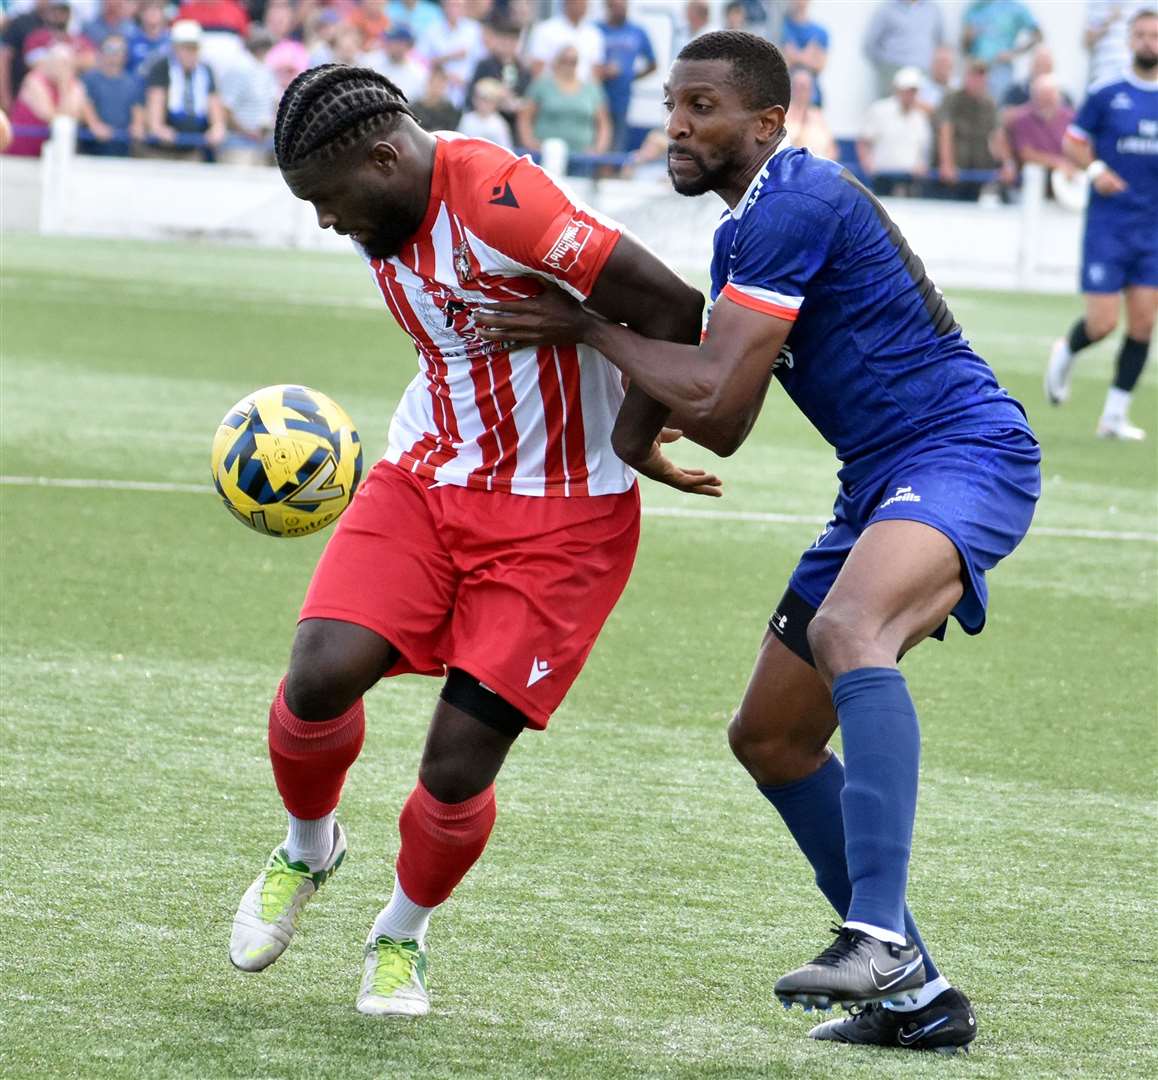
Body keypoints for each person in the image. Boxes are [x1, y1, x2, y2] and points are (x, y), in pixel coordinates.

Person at [474, 30, 1040, 1057]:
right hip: (876, 481)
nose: (677, 128)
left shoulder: (796, 201)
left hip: (964, 452)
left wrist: (588, 327)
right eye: (671, 107)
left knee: (852, 626)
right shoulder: (745, 234)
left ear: (769, 122)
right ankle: (922, 1000)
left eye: (702, 108)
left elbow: (705, 385)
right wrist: (637, 435)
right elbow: (724, 412)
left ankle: (876, 938)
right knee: (769, 738)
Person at [229, 61, 719, 1018]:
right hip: (429, 474)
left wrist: (632, 439)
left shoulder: (505, 203)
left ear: (383, 157)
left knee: (457, 762)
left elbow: (676, 312)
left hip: (565, 519)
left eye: (328, 202)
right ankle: (307, 847)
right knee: (319, 670)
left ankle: (400, 934)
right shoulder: (381, 202)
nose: (327, 223)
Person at [1045, 8, 1158, 440]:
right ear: (1130, 40)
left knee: (1144, 324)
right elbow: (1073, 141)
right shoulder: (1108, 92)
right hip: (1110, 227)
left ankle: (1114, 415)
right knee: (1102, 324)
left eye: (1155, 35)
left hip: (1152, 229)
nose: (1149, 42)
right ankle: (1067, 350)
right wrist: (1095, 172)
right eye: (1142, 34)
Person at [142, 18, 226, 161]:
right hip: (163, 150)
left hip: (193, 148)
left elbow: (214, 104)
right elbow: (155, 102)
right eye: (186, 48)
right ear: (175, 48)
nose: (190, 53)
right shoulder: (162, 67)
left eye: (194, 48)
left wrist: (217, 128)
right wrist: (158, 128)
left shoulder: (205, 70)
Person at [518, 44, 611, 159]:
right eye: (564, 60)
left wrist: (598, 149)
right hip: (546, 153)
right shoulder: (541, 85)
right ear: (556, 61)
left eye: (573, 61)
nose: (568, 65)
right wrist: (530, 143)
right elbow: (525, 117)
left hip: (582, 156)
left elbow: (603, 123)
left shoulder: (592, 89)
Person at [5, 40, 86, 156]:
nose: (60, 68)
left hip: (50, 151)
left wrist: (63, 87)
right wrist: (64, 88)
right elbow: (49, 116)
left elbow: (73, 116)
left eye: (65, 64)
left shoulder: (74, 85)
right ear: (48, 62)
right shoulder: (34, 80)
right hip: (22, 147)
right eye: (57, 62)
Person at [859, 65, 932, 194]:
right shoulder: (880, 110)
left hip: (910, 180)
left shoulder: (920, 117)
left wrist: (921, 166)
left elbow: (923, 150)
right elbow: (864, 141)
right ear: (898, 90)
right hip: (882, 178)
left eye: (913, 91)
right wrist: (868, 165)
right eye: (907, 90)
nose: (910, 94)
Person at [936, 58, 1002, 200]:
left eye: (981, 76)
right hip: (954, 176)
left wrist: (1006, 164)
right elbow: (945, 131)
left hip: (977, 174)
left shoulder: (989, 104)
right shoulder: (952, 99)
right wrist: (947, 163)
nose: (977, 81)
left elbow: (998, 136)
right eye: (974, 76)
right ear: (966, 77)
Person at [598, 0, 656, 153]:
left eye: (624, 5)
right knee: (597, 142)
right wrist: (603, 71)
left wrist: (630, 76)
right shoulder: (595, 29)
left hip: (622, 98)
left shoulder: (637, 31)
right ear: (608, 6)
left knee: (616, 145)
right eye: (617, 6)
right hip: (596, 97)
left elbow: (653, 63)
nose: (622, 9)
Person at [1001, 73, 1076, 189]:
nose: (1047, 101)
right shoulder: (1022, 119)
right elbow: (1026, 154)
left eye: (1050, 96)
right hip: (1032, 183)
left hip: (1066, 183)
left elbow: (1079, 146)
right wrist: (1057, 163)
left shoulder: (1070, 117)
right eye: (1042, 96)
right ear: (1034, 97)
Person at [218, 25, 278, 165]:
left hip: (262, 144)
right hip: (238, 145)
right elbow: (226, 109)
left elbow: (272, 103)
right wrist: (247, 132)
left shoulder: (266, 68)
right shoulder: (239, 68)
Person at [961, 0, 1042, 102]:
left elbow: (1038, 36)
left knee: (998, 107)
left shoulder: (1016, 7)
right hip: (977, 68)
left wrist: (1014, 53)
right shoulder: (975, 7)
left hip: (1000, 69)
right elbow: (964, 47)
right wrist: (968, 39)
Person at [467, 14, 531, 141]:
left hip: (513, 127)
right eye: (504, 39)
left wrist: (516, 103)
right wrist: (495, 98)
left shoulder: (523, 70)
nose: (508, 44)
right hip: (485, 123)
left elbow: (528, 99)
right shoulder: (485, 66)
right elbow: (470, 97)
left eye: (512, 40)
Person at [864, 0, 945, 99]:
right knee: (890, 109)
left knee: (921, 109)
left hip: (922, 71)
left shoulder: (932, 9)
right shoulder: (887, 9)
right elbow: (870, 44)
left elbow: (940, 42)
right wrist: (884, 66)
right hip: (892, 70)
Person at [79, 32, 140, 156]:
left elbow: (137, 108)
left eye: (119, 49)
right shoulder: (90, 78)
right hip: (93, 146)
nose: (115, 54)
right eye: (110, 49)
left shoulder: (133, 81)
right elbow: (85, 103)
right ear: (101, 52)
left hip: (123, 147)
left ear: (126, 54)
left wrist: (137, 125)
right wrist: (94, 125)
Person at [416, 0, 484, 109]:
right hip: (437, 90)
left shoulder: (475, 30)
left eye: (458, 6)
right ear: (443, 7)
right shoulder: (432, 30)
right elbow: (420, 60)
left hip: (465, 91)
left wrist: (467, 81)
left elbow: (481, 61)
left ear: (465, 7)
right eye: (451, 5)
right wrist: (448, 58)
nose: (454, 9)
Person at [526, 0, 605, 82]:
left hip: (585, 91)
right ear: (567, 3)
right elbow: (537, 69)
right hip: (552, 90)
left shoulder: (594, 33)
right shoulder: (545, 30)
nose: (582, 7)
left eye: (585, 4)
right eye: (578, 3)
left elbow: (596, 71)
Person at [1086, 0, 1151, 85]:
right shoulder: (1099, 3)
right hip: (1104, 71)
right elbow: (1088, 40)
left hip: (1137, 71)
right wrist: (1109, 19)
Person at [780, 0, 828, 105]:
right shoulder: (780, 28)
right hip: (785, 96)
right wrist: (807, 56)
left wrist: (795, 56)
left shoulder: (820, 32)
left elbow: (820, 65)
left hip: (812, 99)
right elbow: (781, 63)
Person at [784, 66, 834, 158]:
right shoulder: (782, 114)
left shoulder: (818, 115)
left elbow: (832, 150)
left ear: (811, 90)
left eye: (803, 87)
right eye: (796, 86)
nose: (799, 91)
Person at [372, 26, 428, 104]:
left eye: (396, 42)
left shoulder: (418, 73)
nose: (390, 45)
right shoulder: (372, 62)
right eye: (389, 41)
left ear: (408, 46)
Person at [457, 76, 511, 147]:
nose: (483, 104)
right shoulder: (467, 119)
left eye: (488, 101)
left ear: (495, 103)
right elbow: (459, 143)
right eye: (481, 99)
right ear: (474, 99)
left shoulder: (499, 124)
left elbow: (506, 149)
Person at [409, 63, 461, 132]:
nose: (436, 87)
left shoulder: (450, 110)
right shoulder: (414, 108)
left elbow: (449, 133)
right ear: (428, 82)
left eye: (441, 83)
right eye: (434, 82)